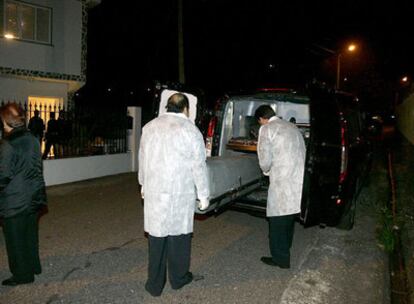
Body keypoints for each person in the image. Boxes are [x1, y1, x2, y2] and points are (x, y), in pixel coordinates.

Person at [138, 93, 210, 297]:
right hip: (180, 192)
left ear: (167, 107)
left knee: (157, 239)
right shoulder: (190, 130)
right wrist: (203, 194)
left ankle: (154, 284)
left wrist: (142, 183)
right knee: (179, 238)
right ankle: (178, 279)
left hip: (155, 191)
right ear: (186, 109)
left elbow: (143, 159)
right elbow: (198, 166)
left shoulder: (149, 127)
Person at [0, 103, 47, 286]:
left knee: (15, 239)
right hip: (34, 195)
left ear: (6, 120)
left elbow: (3, 176)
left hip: (15, 199)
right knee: (29, 234)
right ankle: (34, 265)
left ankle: (22, 275)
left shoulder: (8, 144)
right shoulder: (33, 138)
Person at [254, 105, 306, 269]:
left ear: (262, 119)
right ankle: (285, 250)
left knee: (276, 222)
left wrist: (266, 170)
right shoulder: (292, 127)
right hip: (298, 180)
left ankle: (280, 259)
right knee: (289, 218)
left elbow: (264, 159)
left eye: (260, 122)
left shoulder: (267, 129)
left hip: (282, 181)